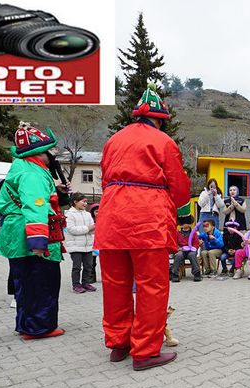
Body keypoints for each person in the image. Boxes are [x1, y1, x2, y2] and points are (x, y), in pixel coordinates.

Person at [95, 84, 190, 370]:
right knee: (151, 287)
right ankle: (145, 351)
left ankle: (119, 344)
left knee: (115, 286)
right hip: (148, 222)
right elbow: (180, 188)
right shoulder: (163, 142)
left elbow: (105, 179)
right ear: (160, 119)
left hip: (111, 220)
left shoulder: (113, 141)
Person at [0, 122, 68, 340]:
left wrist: (55, 190)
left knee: (26, 283)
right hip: (29, 236)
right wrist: (38, 241)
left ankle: (27, 324)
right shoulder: (32, 174)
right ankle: (38, 327)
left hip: (17, 233)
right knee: (40, 282)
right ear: (39, 153)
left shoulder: (23, 168)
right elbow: (35, 206)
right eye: (49, 151)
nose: (51, 155)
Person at [64, 192, 97, 294]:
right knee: (77, 267)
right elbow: (72, 229)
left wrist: (93, 229)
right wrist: (88, 228)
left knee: (89, 266)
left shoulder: (87, 214)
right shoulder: (69, 214)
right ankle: (76, 285)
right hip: (75, 246)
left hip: (88, 246)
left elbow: (92, 227)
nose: (85, 204)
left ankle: (86, 283)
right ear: (75, 202)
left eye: (86, 202)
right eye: (83, 201)